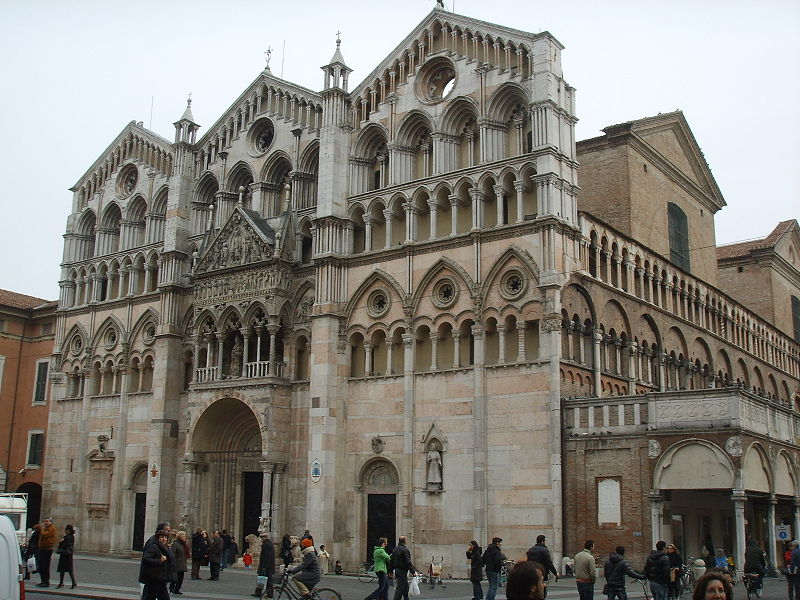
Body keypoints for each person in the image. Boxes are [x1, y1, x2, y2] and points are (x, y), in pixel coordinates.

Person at [139, 529, 175, 600]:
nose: (164, 539)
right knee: (150, 597)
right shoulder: (154, 547)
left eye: (165, 537)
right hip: (153, 578)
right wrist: (159, 560)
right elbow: (146, 559)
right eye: (162, 537)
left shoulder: (165, 548)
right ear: (158, 538)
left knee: (164, 598)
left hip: (161, 578)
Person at [390, 535, 417, 600]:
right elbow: (408, 562)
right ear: (405, 541)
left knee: (405, 586)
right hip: (402, 570)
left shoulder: (395, 549)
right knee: (400, 587)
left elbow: (392, 561)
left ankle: (406, 598)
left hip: (397, 570)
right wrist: (412, 571)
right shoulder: (405, 549)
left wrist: (390, 571)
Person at [37, 517, 57, 587]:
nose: (45, 522)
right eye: (45, 521)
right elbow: (36, 527)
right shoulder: (45, 528)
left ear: (51, 522)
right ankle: (42, 580)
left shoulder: (52, 529)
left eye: (47, 521)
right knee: (41, 565)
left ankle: (46, 581)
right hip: (42, 548)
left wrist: (42, 528)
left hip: (47, 549)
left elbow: (43, 534)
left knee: (45, 566)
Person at [255, 532, 275, 599]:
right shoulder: (267, 544)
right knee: (262, 579)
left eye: (262, 538)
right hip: (267, 565)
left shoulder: (267, 545)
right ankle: (259, 592)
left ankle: (269, 593)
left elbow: (267, 557)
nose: (261, 539)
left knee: (267, 580)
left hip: (266, 566)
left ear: (265, 538)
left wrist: (264, 567)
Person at [55, 524, 76, 589]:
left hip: (64, 554)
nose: (65, 531)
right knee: (70, 570)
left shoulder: (67, 537)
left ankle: (61, 583)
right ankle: (73, 582)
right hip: (69, 555)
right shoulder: (72, 536)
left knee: (62, 569)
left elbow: (64, 545)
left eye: (65, 530)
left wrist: (61, 542)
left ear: (68, 530)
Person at [169, 530, 189, 594]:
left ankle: (177, 589)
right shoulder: (175, 544)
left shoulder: (184, 544)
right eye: (183, 536)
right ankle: (172, 588)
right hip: (177, 563)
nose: (185, 537)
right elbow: (172, 554)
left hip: (182, 563)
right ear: (180, 537)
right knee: (175, 578)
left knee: (181, 578)